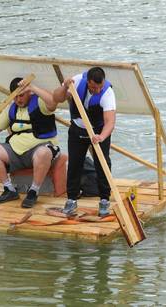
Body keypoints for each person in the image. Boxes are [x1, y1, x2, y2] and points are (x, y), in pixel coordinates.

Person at [0, 77, 61, 208]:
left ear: (29, 93)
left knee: (43, 152)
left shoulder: (40, 103)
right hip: (16, 151)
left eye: (21, 96)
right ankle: (9, 189)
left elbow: (53, 102)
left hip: (40, 149)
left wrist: (32, 87)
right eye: (15, 97)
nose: (18, 100)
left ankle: (33, 191)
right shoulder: (11, 108)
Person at [53, 67, 116, 217]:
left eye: (99, 87)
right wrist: (64, 87)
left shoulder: (107, 93)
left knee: (103, 164)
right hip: (78, 129)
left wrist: (102, 136)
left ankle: (104, 200)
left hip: (98, 131)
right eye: (94, 87)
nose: (97, 90)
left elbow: (110, 122)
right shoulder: (77, 81)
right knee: (75, 164)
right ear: (88, 82)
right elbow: (57, 98)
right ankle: (72, 200)